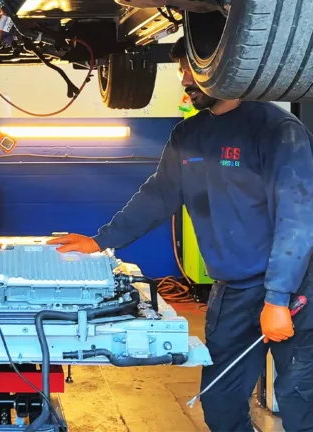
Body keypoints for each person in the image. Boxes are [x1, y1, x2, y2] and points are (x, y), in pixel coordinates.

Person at [48, 36, 313, 432]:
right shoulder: (188, 135)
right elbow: (158, 196)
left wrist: (277, 297)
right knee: (220, 403)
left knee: (301, 400)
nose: (186, 79)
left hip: (295, 291)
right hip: (233, 291)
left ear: (227, 67)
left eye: (192, 70)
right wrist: (102, 240)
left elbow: (298, 218)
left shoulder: (277, 130)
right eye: (182, 70)